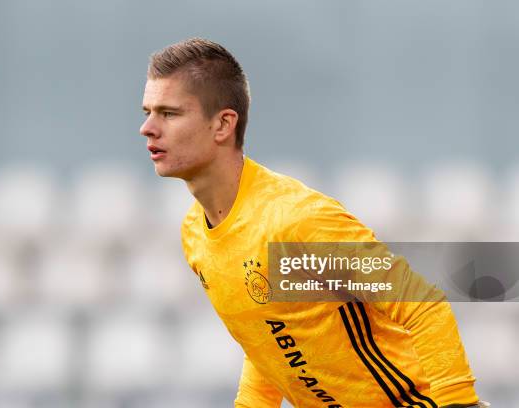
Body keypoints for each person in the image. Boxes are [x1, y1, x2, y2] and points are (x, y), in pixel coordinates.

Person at [139, 38, 486, 408]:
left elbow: (421, 304)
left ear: (223, 124)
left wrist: (457, 402)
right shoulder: (195, 233)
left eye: (169, 114)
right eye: (147, 112)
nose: (147, 127)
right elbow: (267, 341)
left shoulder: (296, 221)